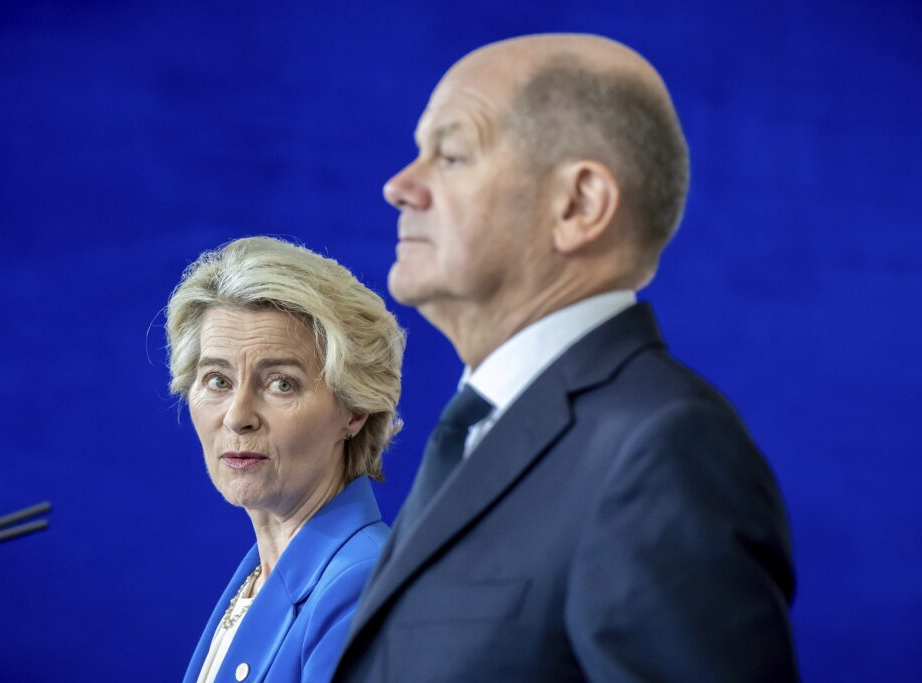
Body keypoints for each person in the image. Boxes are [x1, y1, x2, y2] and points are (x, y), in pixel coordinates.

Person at [333, 34, 799, 682]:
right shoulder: (483, 428)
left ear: (579, 205)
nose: (399, 186)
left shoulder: (665, 450)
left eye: (452, 154)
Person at [165, 237, 405, 683]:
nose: (237, 416)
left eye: (281, 384)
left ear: (354, 410)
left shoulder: (360, 587)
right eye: (217, 380)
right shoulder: (259, 575)